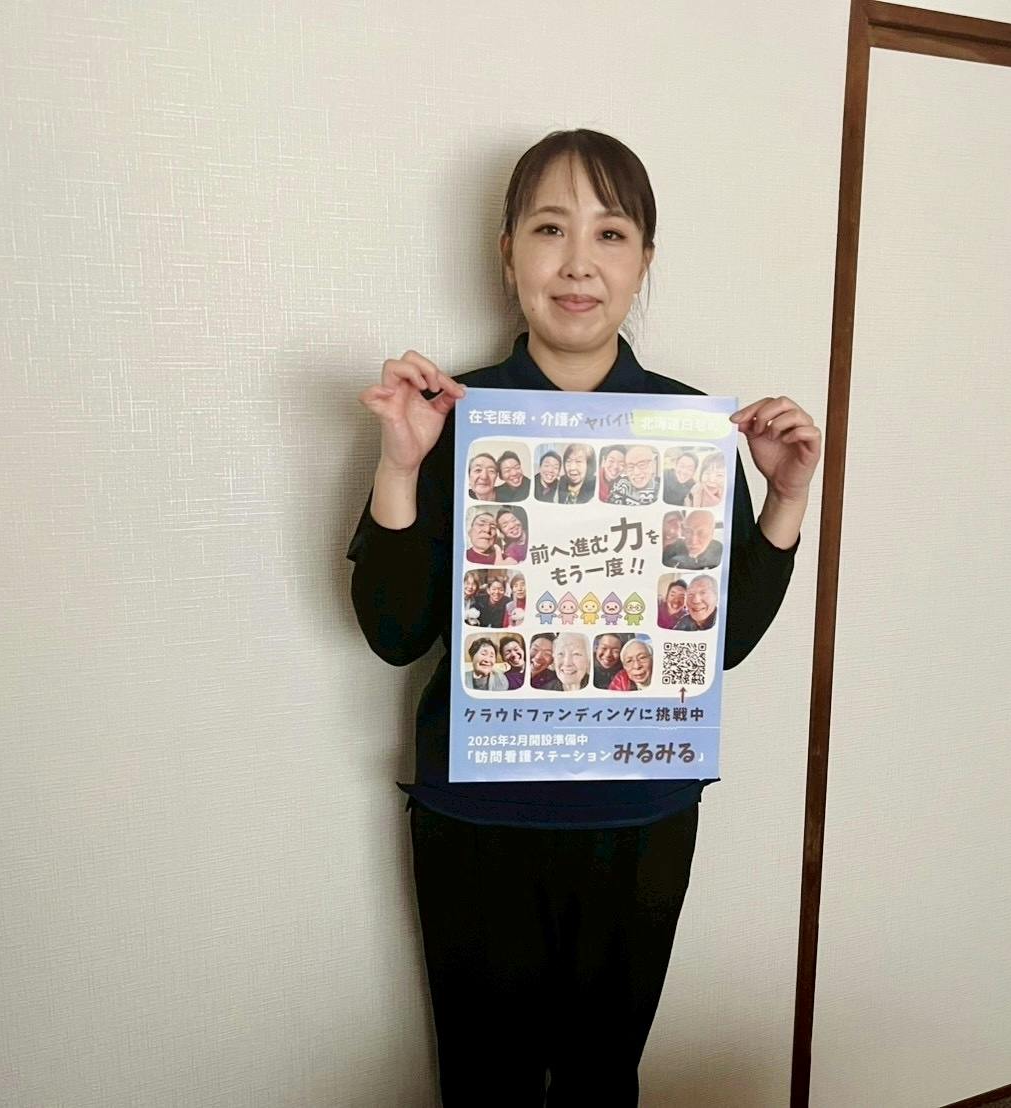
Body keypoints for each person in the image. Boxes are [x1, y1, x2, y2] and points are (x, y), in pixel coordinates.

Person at [348, 128, 818, 1106]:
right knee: (485, 1084)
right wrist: (398, 465)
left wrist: (783, 498)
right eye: (548, 228)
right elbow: (394, 634)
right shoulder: (450, 416)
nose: (577, 263)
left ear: (643, 260)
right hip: (479, 813)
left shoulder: (688, 432)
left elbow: (716, 646)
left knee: (604, 1080)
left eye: (609, 234)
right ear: (507, 253)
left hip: (640, 812)